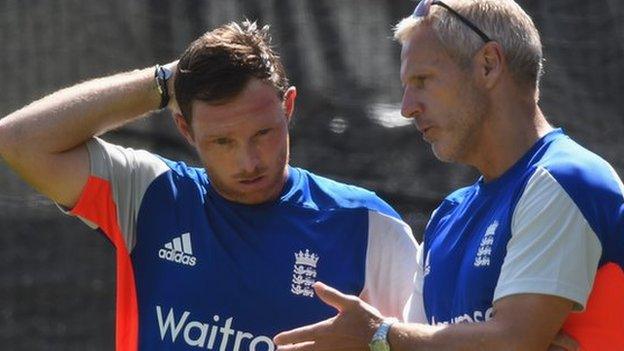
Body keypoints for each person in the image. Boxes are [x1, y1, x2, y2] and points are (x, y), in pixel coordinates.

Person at [0, 21, 419, 350]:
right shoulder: (149, 193)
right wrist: (166, 82)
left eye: (263, 133)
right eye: (222, 141)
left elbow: (434, 339)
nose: (248, 161)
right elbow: (18, 142)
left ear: (287, 107)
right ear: (184, 128)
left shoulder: (368, 226)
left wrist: (381, 342)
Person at [273, 0, 624, 350]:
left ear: (488, 65)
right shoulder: (447, 217)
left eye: (422, 80)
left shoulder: (564, 179)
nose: (407, 107)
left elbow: (514, 343)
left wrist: (380, 335)